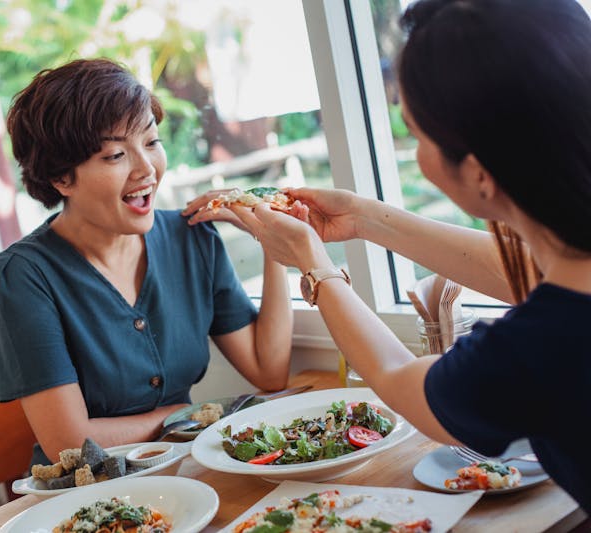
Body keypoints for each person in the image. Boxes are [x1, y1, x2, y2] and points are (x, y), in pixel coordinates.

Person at [227, 0, 591, 512]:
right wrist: (366, 219)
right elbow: (532, 275)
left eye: (417, 134)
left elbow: (402, 382)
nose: (415, 151)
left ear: (480, 172)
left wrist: (314, 265)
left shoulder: (539, 346)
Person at [0, 58, 293, 465]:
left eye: (151, 142)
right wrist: (188, 417)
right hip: (89, 502)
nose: (146, 168)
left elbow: (268, 371)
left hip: (187, 470)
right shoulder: (24, 275)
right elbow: (69, 442)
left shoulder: (194, 237)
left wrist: (273, 244)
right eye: (116, 155)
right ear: (62, 178)